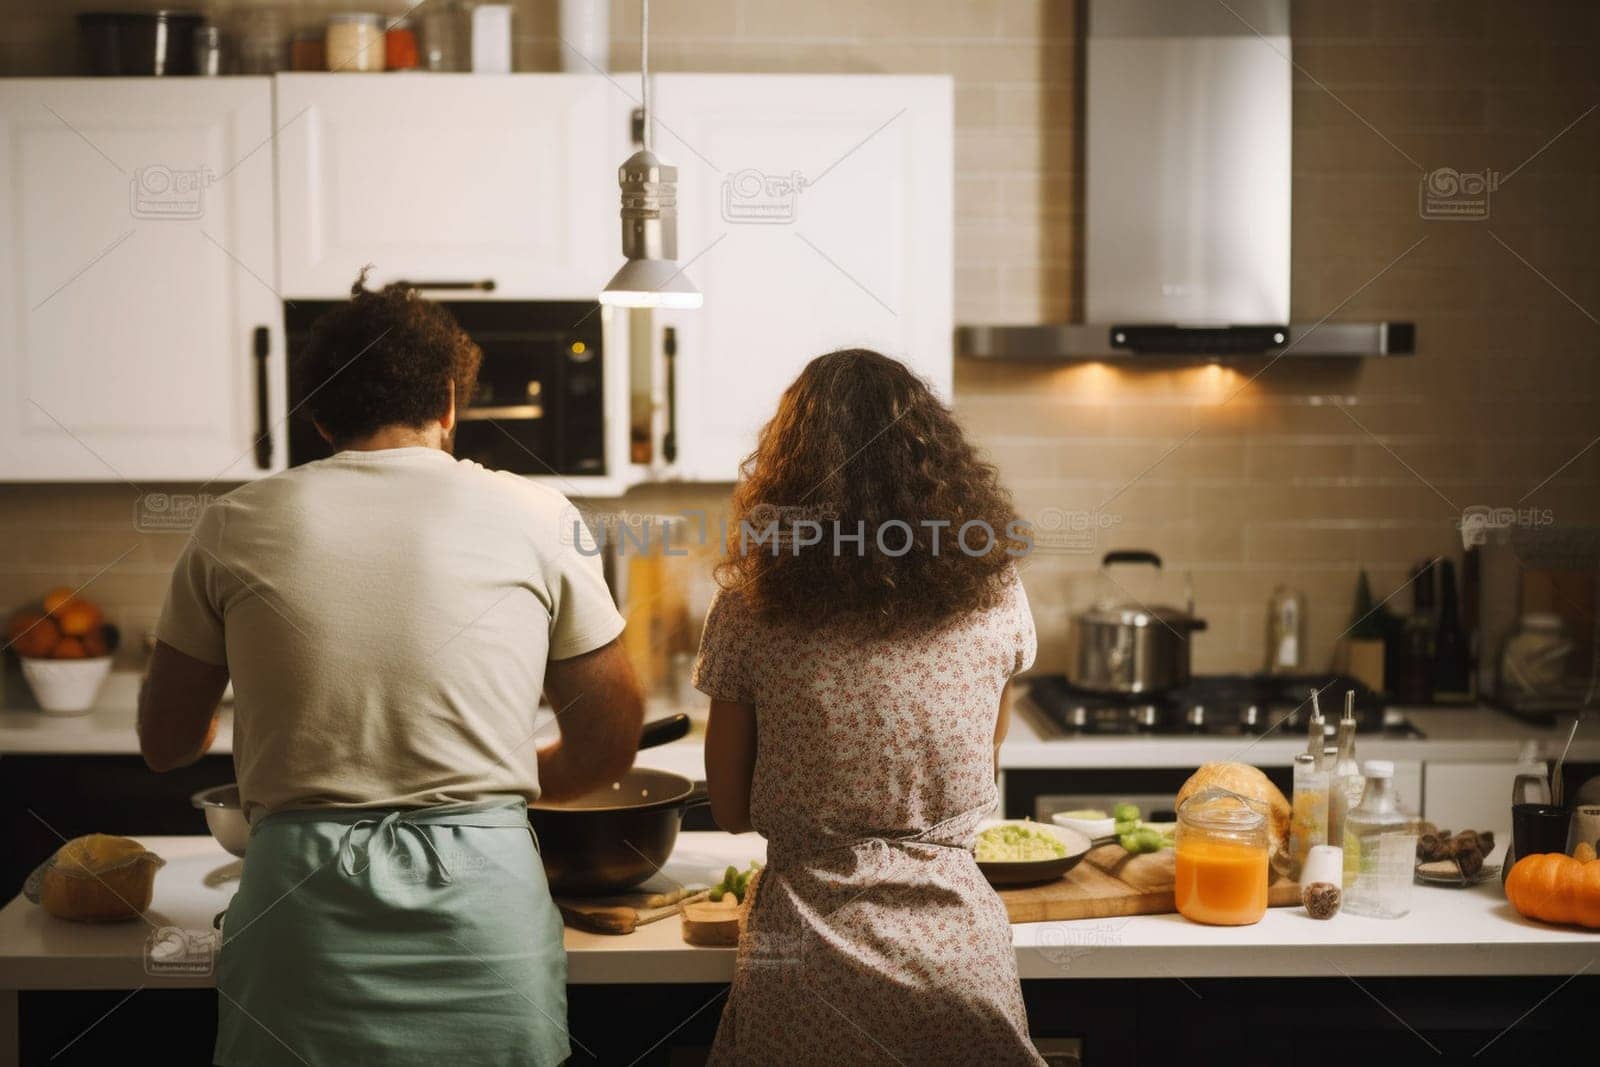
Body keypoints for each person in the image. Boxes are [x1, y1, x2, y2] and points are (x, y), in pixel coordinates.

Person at [138, 271, 644, 1067]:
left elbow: (166, 741)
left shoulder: (231, 526)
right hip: (487, 919)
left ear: (317, 413)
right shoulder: (542, 515)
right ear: (449, 401)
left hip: (298, 928)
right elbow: (610, 736)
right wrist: (483, 785)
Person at [694, 348, 1043, 1065]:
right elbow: (989, 745)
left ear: (787, 472)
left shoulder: (752, 608)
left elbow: (729, 806)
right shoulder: (995, 591)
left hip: (804, 961)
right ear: (940, 464)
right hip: (957, 960)